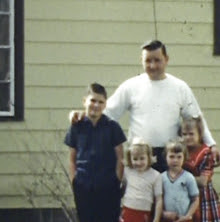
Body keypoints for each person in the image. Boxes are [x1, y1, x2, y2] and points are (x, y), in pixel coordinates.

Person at [70, 40, 218, 173]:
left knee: (166, 202)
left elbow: (196, 119)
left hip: (170, 157)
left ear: (166, 60)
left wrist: (211, 145)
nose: (152, 65)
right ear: (141, 60)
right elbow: (108, 112)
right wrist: (84, 114)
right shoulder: (131, 86)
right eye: (148, 61)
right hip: (139, 157)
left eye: (157, 60)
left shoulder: (180, 87)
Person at [64, 83, 127, 222]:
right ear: (84, 101)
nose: (96, 105)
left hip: (108, 185)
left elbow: (120, 157)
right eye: (93, 100)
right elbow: (72, 158)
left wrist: (117, 180)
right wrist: (74, 180)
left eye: (101, 102)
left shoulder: (112, 126)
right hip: (83, 185)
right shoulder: (76, 126)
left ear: (105, 105)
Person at [181, 117, 220, 222]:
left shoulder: (206, 152)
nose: (187, 137)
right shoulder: (182, 152)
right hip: (186, 194)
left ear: (200, 134)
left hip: (203, 195)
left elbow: (203, 181)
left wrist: (183, 178)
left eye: (191, 134)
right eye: (184, 134)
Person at [118, 137, 162, 222]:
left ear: (148, 157)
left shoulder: (156, 175)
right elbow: (119, 191)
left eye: (142, 158)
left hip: (143, 213)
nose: (138, 162)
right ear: (130, 158)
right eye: (135, 159)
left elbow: (159, 199)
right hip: (127, 210)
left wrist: (156, 219)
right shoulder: (127, 171)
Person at [162, 140, 199, 222]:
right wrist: (163, 213)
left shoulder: (188, 177)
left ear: (184, 158)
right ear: (165, 157)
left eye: (179, 157)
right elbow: (158, 200)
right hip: (166, 219)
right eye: (171, 157)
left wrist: (188, 215)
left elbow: (195, 199)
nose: (175, 160)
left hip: (184, 219)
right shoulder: (161, 178)